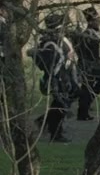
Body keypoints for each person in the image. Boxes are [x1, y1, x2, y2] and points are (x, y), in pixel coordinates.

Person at [31, 13, 78, 142]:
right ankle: (55, 133)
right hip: (57, 78)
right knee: (60, 106)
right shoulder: (51, 43)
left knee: (60, 105)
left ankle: (45, 123)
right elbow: (51, 64)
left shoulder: (60, 40)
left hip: (65, 76)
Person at [70, 6, 100, 121]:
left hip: (92, 65)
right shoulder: (88, 35)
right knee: (89, 87)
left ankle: (85, 107)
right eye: (97, 20)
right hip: (90, 66)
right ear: (91, 22)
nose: (99, 22)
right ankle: (83, 112)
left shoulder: (91, 33)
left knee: (95, 85)